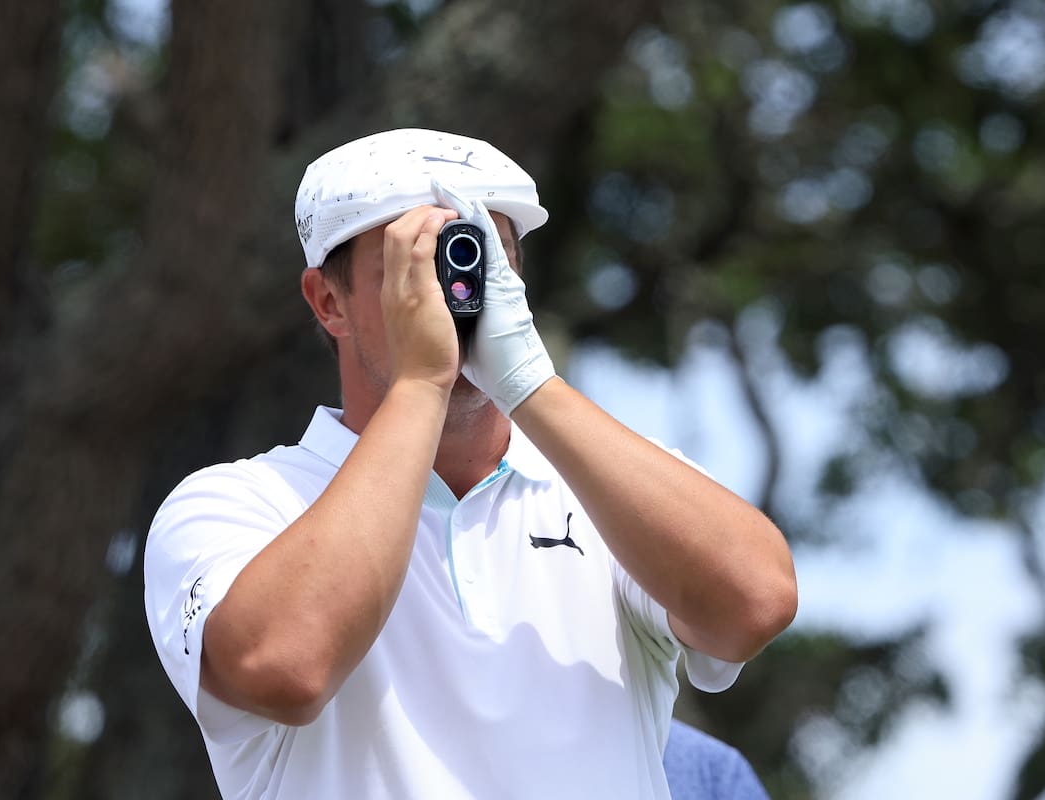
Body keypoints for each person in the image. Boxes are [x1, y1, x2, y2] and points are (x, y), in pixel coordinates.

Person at [144, 128, 797, 799]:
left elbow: (756, 604)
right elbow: (285, 666)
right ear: (328, 302)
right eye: (412, 267)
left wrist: (532, 384)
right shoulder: (236, 503)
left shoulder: (603, 485)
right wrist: (421, 385)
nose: (458, 292)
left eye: (485, 260)